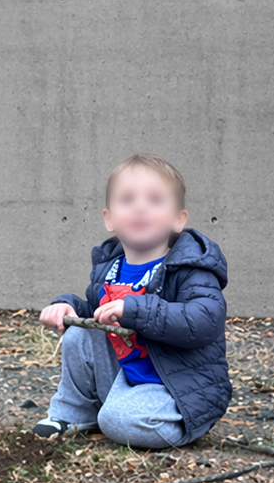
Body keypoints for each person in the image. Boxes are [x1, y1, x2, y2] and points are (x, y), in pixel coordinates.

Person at [34, 154, 231, 448]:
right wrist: (67, 306)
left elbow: (205, 320)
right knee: (79, 334)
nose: (140, 207)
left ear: (179, 220)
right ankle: (76, 412)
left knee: (118, 421)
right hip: (126, 376)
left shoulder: (189, 268)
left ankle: (179, 422)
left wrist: (136, 310)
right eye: (127, 200)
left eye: (154, 200)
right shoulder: (110, 268)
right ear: (109, 219)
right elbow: (96, 312)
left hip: (176, 386)